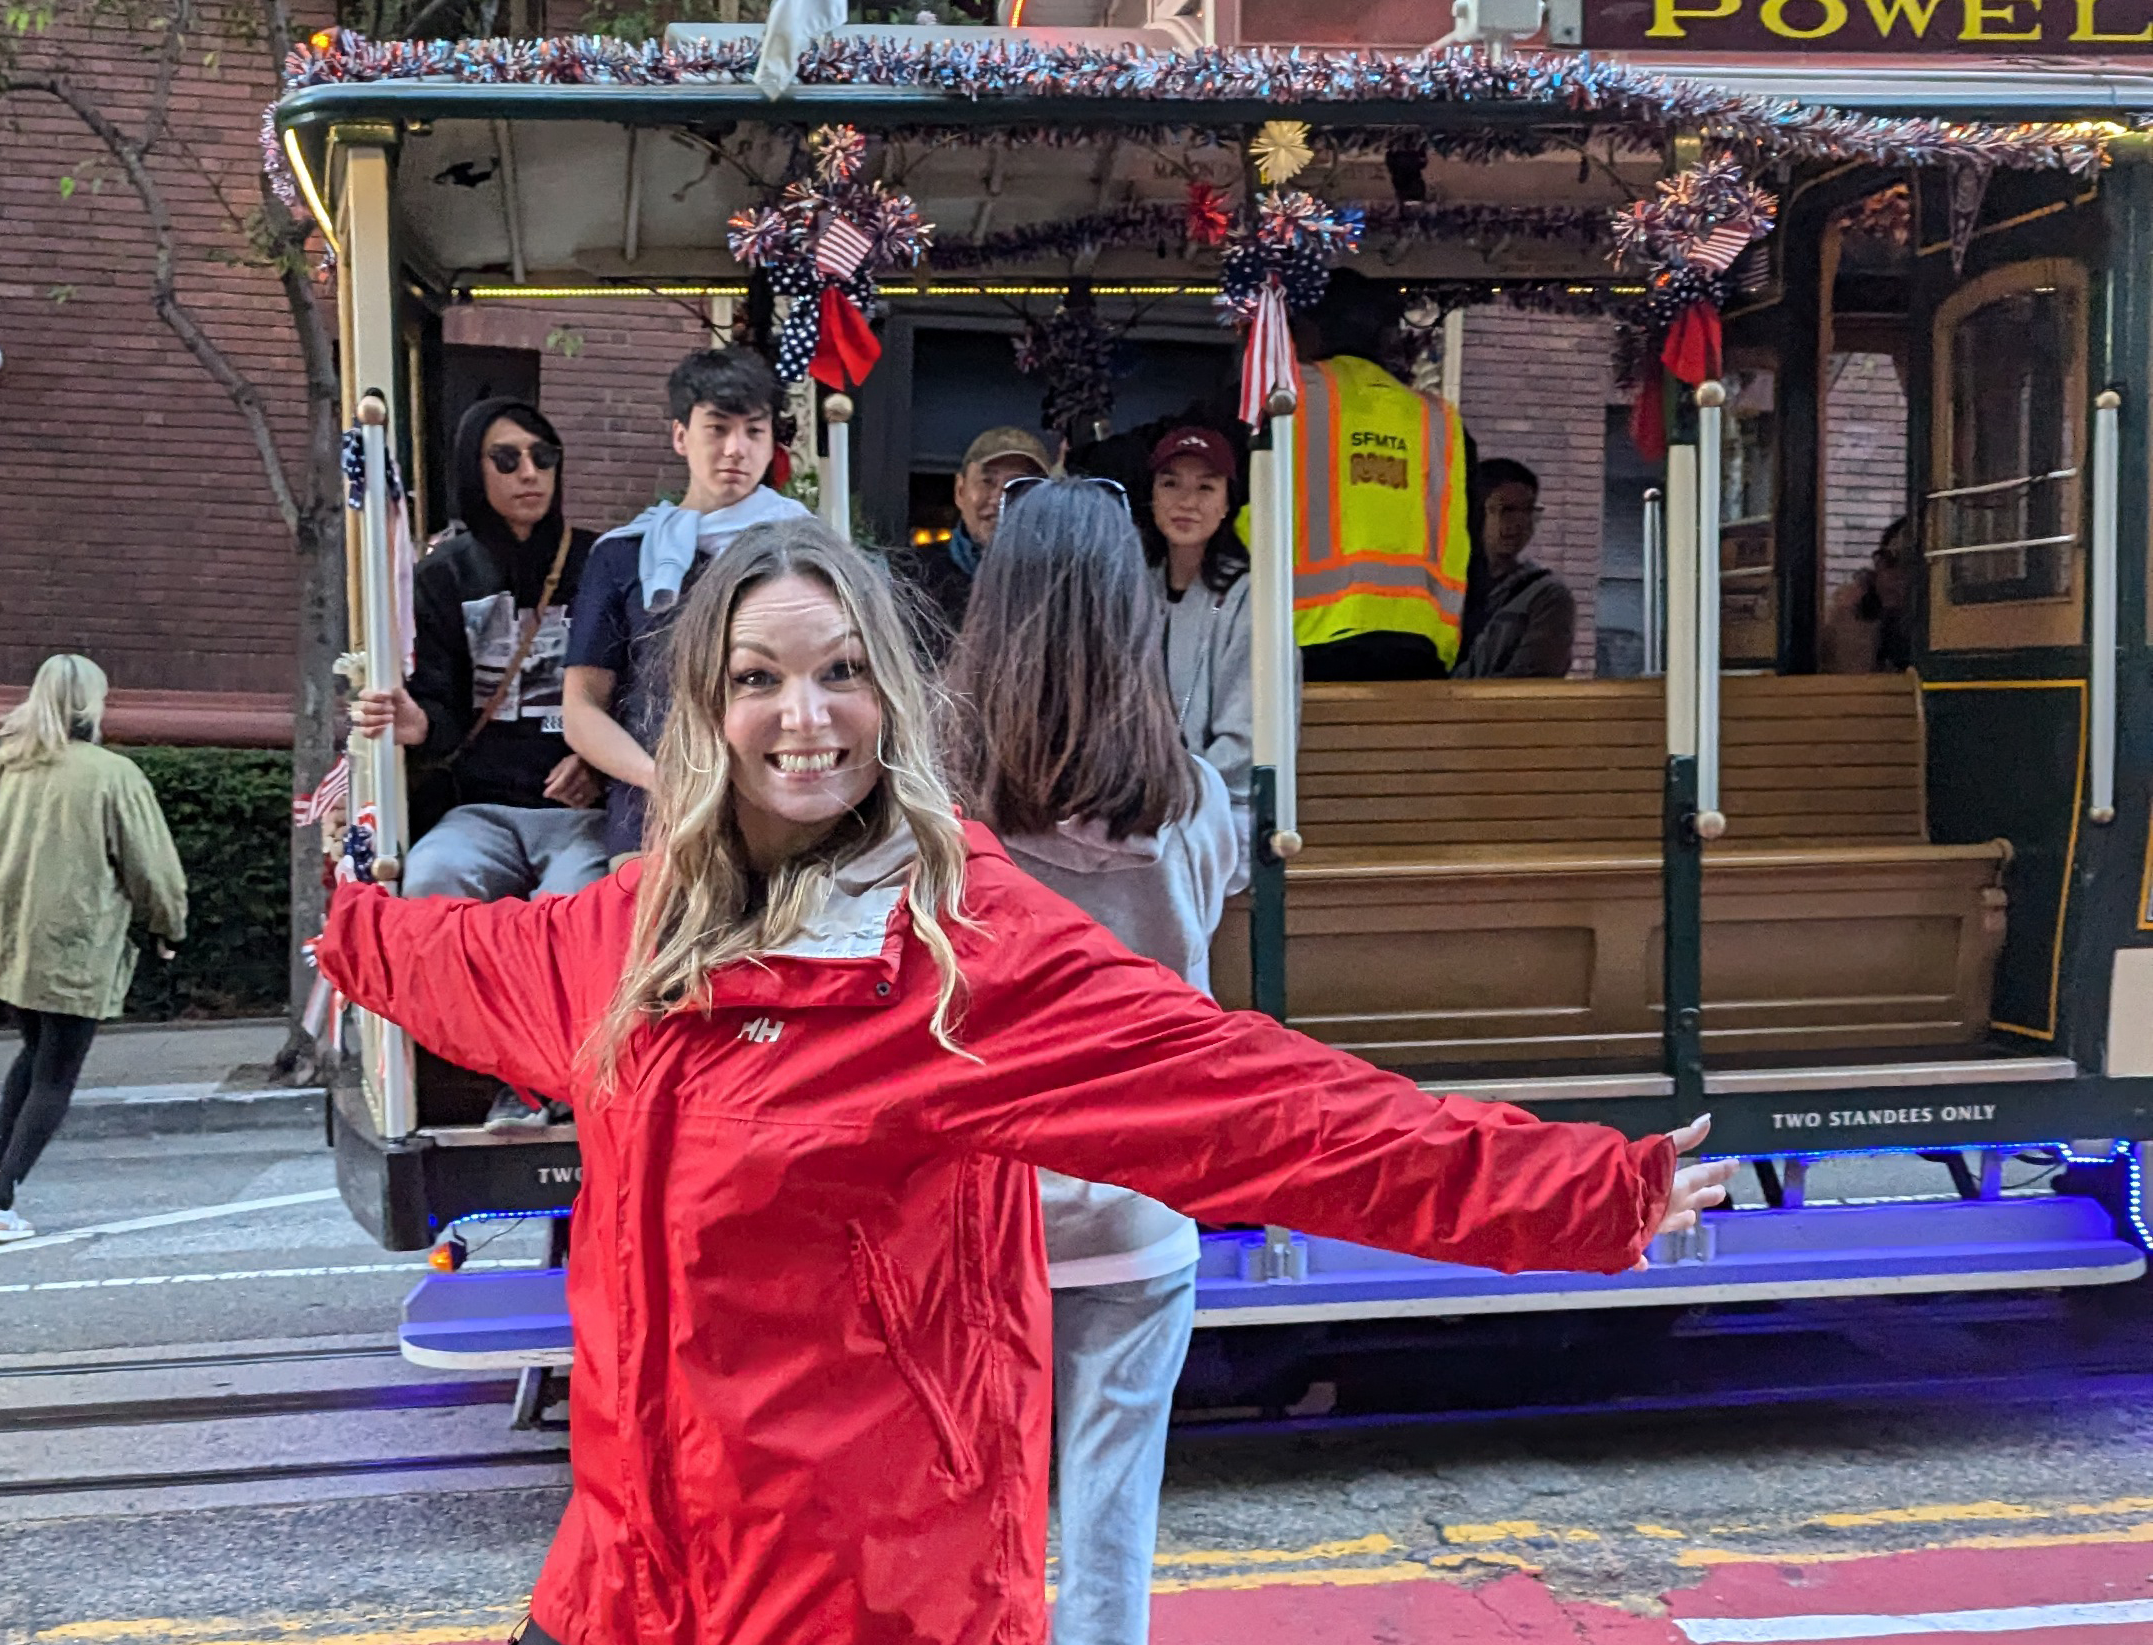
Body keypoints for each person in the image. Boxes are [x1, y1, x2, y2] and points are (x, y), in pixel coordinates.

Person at [313, 520, 1735, 1645]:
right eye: (759, 676)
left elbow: (1261, 1104)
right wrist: (349, 916)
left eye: (840, 671)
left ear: (893, 695)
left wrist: (1587, 1189)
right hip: (629, 1576)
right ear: (707, 707)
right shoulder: (627, 937)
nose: (803, 716)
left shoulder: (958, 954)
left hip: (864, 1595)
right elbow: (453, 959)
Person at [946, 478, 1242, 1645]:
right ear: (1133, 614)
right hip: (1139, 1205)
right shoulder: (1195, 799)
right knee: (1112, 1531)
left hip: (980, 1213)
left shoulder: (937, 805)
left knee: (978, 1518)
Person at [351, 397, 604, 1131]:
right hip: (482, 806)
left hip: (580, 812)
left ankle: (559, 1076)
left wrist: (604, 764)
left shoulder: (601, 560)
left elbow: (644, 688)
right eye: (507, 459)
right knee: (431, 884)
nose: (531, 473)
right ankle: (506, 1072)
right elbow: (442, 707)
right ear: (474, 469)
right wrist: (415, 720)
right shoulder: (444, 576)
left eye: (543, 455)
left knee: (579, 912)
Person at [0, 655, 186, 1245]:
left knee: (33, 1052)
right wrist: (169, 926)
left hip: (5, 934)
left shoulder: (2, 767)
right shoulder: (112, 775)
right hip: (72, 938)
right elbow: (152, 870)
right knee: (57, 1072)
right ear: (94, 702)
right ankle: (2, 1200)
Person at [562, 345, 811, 861]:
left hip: (784, 815)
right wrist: (661, 779)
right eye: (717, 429)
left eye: (754, 431)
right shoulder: (621, 556)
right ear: (681, 435)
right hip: (655, 820)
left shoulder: (810, 551)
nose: (736, 449)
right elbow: (581, 707)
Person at [1247, 268, 1472, 681]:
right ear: (1387, 338)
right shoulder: (1438, 420)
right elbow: (1469, 543)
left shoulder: (1283, 398)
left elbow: (1243, 515)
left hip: (1302, 645)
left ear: (1308, 330)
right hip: (1418, 649)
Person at [1143, 425, 1252, 813]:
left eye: (1206, 488)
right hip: (1137, 807)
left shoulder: (1249, 598)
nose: (1187, 501)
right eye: (1171, 484)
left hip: (1223, 809)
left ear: (1227, 503)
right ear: (1152, 496)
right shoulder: (1132, 590)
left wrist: (1174, 794)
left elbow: (1246, 742)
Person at [911, 424, 1054, 637]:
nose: (999, 499)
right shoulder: (912, 578)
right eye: (987, 481)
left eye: (1019, 486)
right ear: (960, 491)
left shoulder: (1058, 584)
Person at [1455, 459, 1577, 678]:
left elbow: (1532, 683)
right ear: (1476, 512)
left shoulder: (1546, 596)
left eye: (1528, 511)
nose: (1520, 522)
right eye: (1506, 509)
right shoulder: (1444, 586)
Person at [1820, 517, 1918, 674]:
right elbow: (1855, 680)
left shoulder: (1928, 627)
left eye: (1906, 566)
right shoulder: (1853, 610)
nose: (1892, 576)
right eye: (1887, 562)